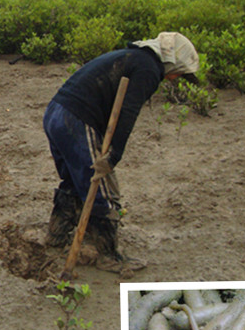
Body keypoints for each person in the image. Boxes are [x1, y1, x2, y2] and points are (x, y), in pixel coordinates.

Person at [43, 31, 200, 272]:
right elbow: (127, 113)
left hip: (56, 112)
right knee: (102, 188)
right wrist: (114, 156)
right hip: (74, 119)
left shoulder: (133, 57)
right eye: (180, 72)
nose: (177, 78)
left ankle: (55, 236)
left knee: (75, 181)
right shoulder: (147, 68)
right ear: (173, 61)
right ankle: (108, 255)